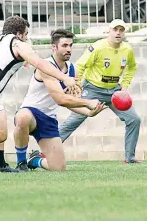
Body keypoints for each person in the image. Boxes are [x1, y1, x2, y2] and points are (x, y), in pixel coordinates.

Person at [0, 16, 78, 173]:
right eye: (26, 35)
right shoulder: (17, 43)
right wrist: (64, 77)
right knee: (0, 133)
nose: (27, 39)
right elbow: (41, 63)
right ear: (19, 34)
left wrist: (23, 59)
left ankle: (0, 165)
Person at [13, 29, 107, 172]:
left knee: (59, 168)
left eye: (70, 45)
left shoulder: (71, 69)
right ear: (54, 47)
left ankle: (34, 161)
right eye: (64, 45)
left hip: (49, 119)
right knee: (22, 117)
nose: (68, 49)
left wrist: (88, 113)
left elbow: (70, 102)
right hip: (31, 113)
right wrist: (88, 103)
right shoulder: (46, 66)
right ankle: (21, 163)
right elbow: (61, 100)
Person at [59, 19, 141, 163]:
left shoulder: (127, 49)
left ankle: (130, 159)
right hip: (93, 90)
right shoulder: (97, 47)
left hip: (115, 92)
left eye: (121, 30)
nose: (118, 33)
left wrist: (124, 85)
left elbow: (132, 67)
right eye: (115, 29)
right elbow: (80, 65)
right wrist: (76, 85)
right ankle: (44, 153)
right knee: (73, 121)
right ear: (108, 31)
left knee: (134, 119)